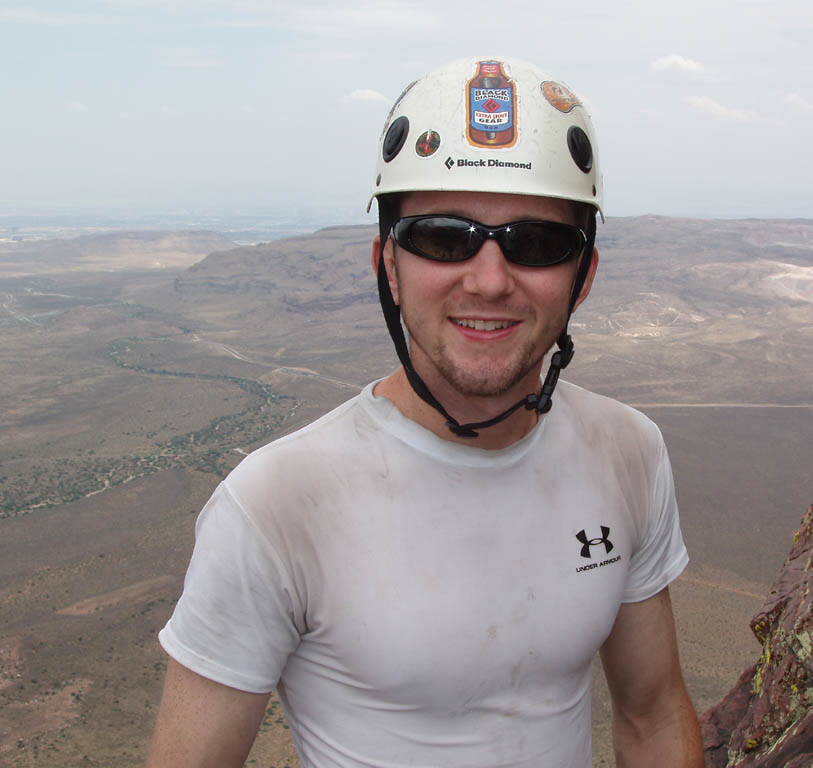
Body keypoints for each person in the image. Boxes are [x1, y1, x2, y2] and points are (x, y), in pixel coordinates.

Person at [147, 56, 704, 768]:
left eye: (536, 243)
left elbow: (654, 716)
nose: (490, 280)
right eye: (445, 238)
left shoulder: (628, 452)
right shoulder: (275, 505)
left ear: (583, 275)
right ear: (388, 266)